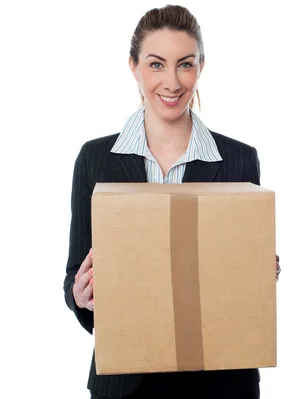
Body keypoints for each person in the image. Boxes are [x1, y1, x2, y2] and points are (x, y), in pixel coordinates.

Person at [63, 5, 279, 398]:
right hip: (126, 381)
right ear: (134, 66)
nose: (172, 82)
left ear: (200, 67)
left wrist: (259, 274)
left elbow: (238, 281)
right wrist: (80, 296)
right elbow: (76, 273)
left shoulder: (238, 159)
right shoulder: (95, 159)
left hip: (220, 379)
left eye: (185, 64)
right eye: (156, 64)